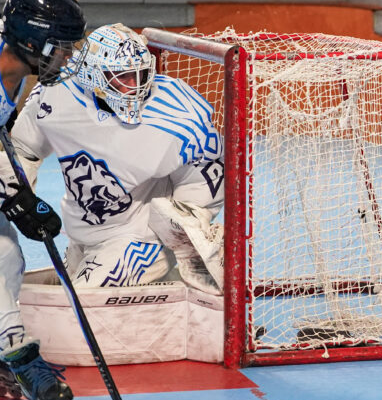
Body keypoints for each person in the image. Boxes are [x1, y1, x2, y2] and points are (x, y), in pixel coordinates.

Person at [9, 23, 225, 297]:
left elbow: (206, 177)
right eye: (122, 77)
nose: (135, 87)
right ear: (92, 75)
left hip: (138, 240)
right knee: (40, 298)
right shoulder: (58, 91)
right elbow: (23, 150)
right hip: (81, 234)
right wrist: (20, 199)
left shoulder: (176, 113)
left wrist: (179, 228)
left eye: (141, 75)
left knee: (74, 310)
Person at [0, 0, 87, 400]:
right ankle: (19, 354)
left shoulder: (12, 73)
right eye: (62, 47)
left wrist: (20, 197)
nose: (67, 57)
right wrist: (11, 197)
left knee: (10, 255)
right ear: (33, 41)